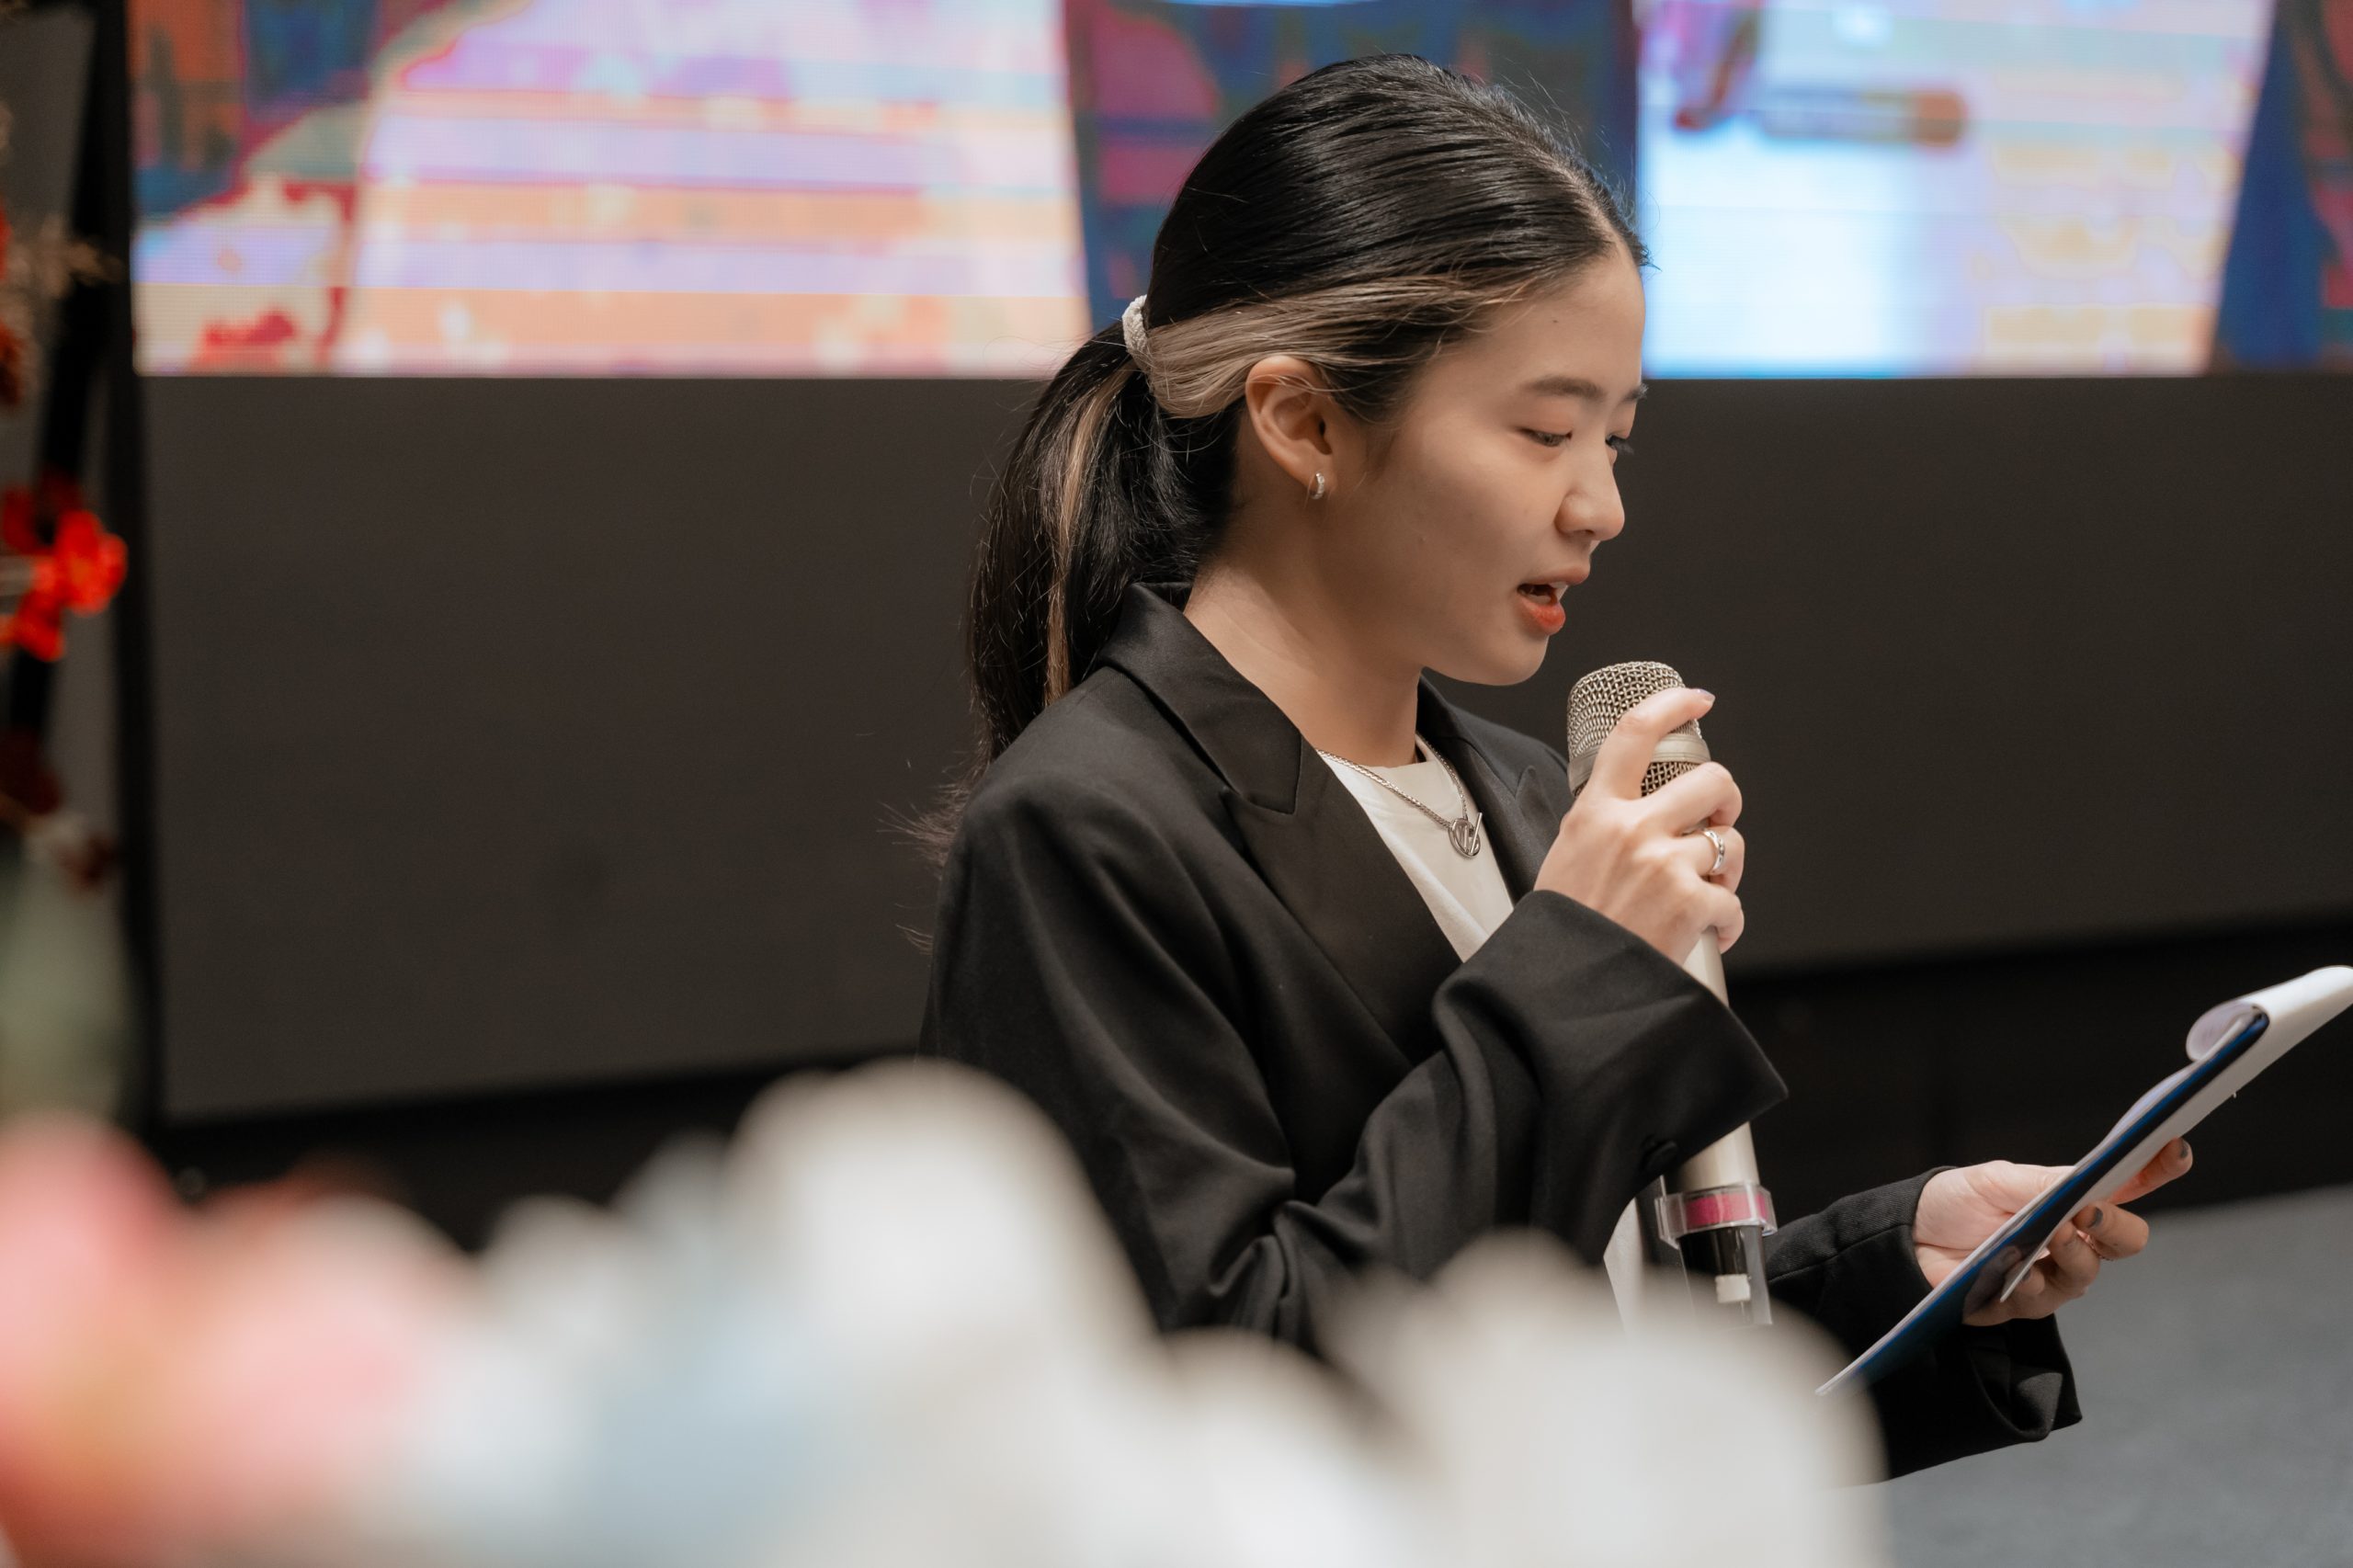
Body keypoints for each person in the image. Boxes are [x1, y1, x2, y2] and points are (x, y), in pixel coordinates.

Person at [914, 53, 2188, 1478]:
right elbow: (1233, 1402)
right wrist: (1577, 971)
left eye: (1617, 436)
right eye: (1544, 431)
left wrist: (1899, 1266)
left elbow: (1595, 1316)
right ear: (1303, 421)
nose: (1603, 504)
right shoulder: (1087, 825)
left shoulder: (1529, 793)